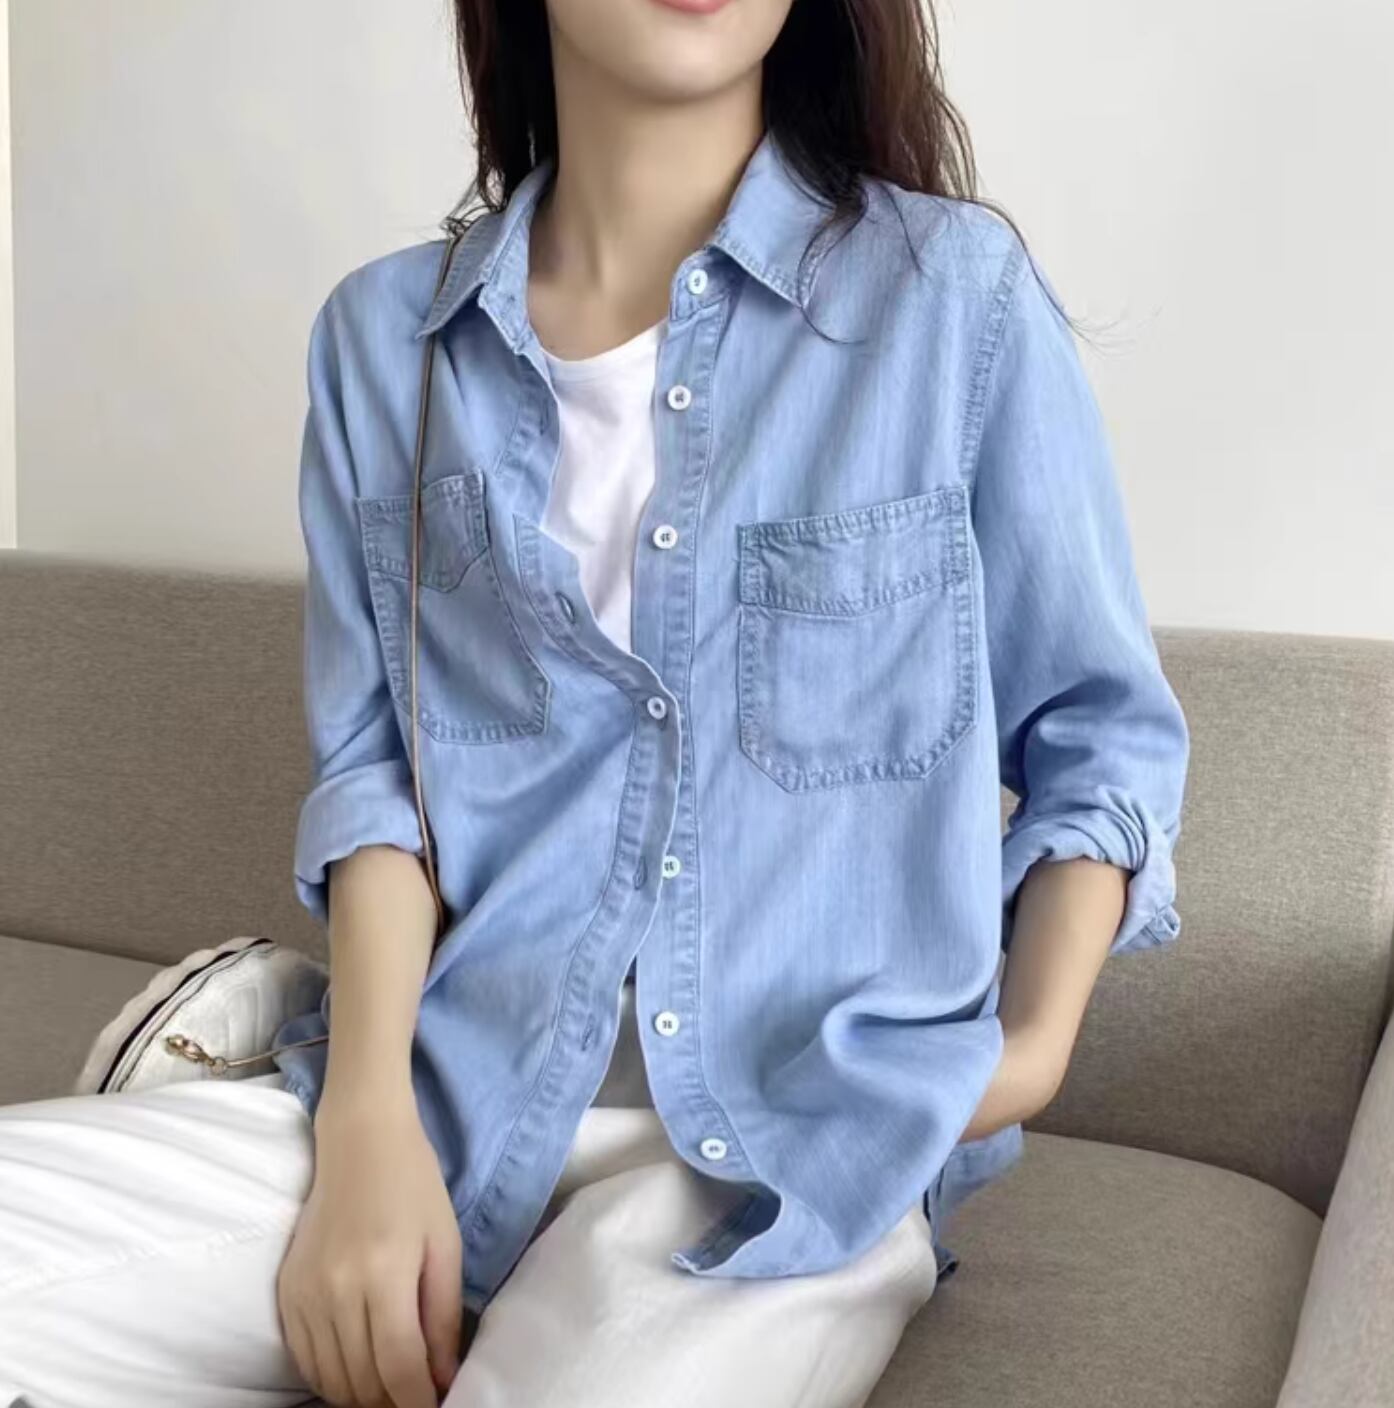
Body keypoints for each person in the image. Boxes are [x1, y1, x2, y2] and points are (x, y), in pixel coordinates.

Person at [0, 0, 1191, 1405]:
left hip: (801, 1167)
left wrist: (1023, 1060)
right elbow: (381, 783)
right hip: (451, 1098)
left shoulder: (950, 301)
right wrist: (368, 1130)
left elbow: (1100, 743)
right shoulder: (387, 343)